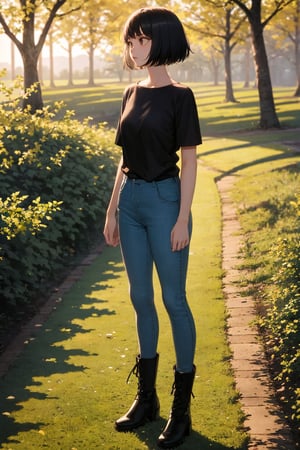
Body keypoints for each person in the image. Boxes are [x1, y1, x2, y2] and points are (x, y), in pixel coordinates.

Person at [103, 6, 202, 449]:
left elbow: (190, 161)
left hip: (165, 203)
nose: (134, 48)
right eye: (131, 40)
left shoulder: (181, 96)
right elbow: (123, 162)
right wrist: (111, 211)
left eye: (141, 40)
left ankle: (181, 412)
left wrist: (181, 218)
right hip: (131, 202)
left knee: (173, 300)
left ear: (161, 41)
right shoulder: (130, 92)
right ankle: (148, 401)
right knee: (140, 298)